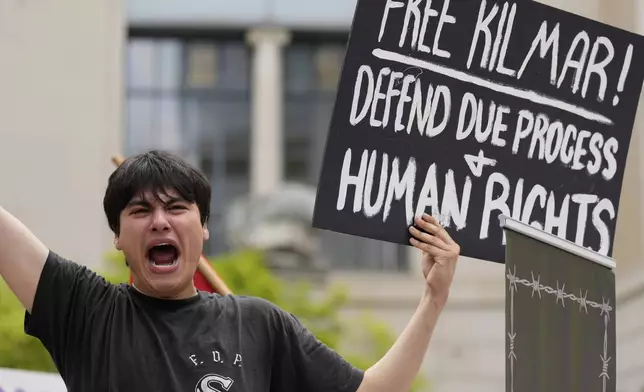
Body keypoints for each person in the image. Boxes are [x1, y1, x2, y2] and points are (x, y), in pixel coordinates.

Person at [0, 150, 461, 392]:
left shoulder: (259, 324)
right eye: (139, 211)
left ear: (203, 229)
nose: (160, 220)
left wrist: (433, 298)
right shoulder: (86, 311)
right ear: (117, 236)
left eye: (177, 208)